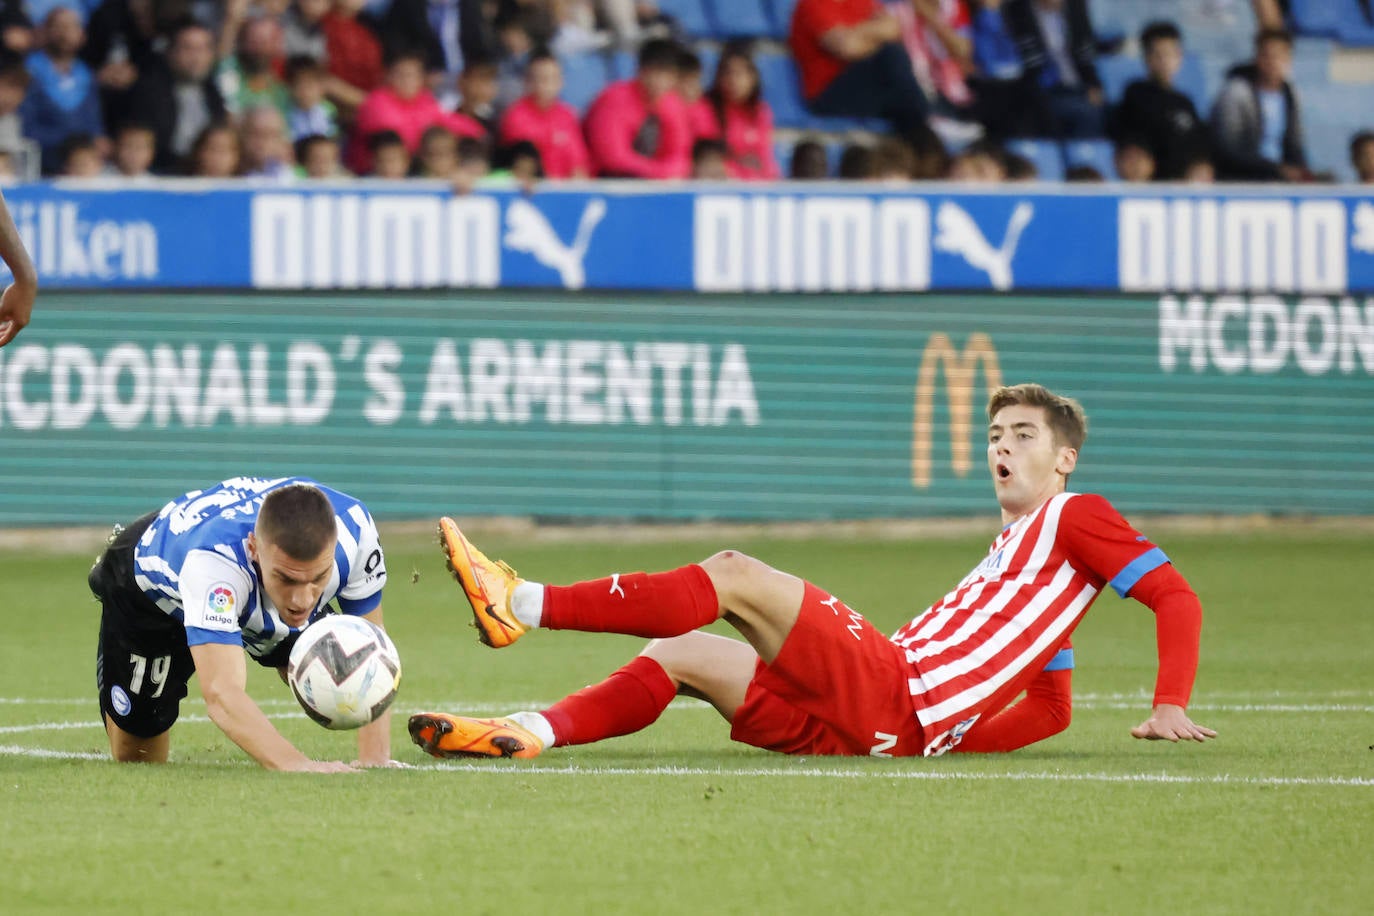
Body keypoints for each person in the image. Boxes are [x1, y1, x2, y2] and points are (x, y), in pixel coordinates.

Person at [410, 383, 1216, 761]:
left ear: (1065, 459)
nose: (1002, 446)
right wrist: (936, 750)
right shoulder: (1027, 566)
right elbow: (1052, 709)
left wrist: (1170, 704)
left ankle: (518, 601)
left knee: (735, 573)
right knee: (680, 653)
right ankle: (530, 730)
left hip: (896, 692)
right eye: (997, 433)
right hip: (875, 731)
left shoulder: (1074, 517)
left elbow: (1174, 595)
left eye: (1025, 436)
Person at [88, 477, 398, 771]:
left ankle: (273, 595)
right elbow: (223, 693)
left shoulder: (356, 529)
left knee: (341, 657)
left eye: (319, 578)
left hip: (249, 590)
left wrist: (375, 758)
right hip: (151, 597)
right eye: (287, 578)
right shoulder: (213, 563)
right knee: (138, 755)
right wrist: (294, 763)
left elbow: (373, 649)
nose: (302, 600)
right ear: (254, 548)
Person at [788, 0, 928, 135]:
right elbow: (846, 48)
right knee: (891, 56)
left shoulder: (862, 1)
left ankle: (923, 128)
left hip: (863, 86)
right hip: (827, 93)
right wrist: (876, 37)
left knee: (901, 93)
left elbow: (894, 28)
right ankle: (925, 126)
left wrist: (856, 34)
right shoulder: (812, 4)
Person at [125, 20, 226, 175]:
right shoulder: (148, 92)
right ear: (170, 52)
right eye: (188, 48)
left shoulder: (214, 93)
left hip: (204, 175)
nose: (196, 57)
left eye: (202, 49)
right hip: (161, 174)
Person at [1111, 21, 1208, 181]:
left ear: (1179, 57)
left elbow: (1200, 141)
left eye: (1170, 54)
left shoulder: (1185, 102)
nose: (1164, 61)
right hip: (1159, 181)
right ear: (1147, 59)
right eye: (1158, 55)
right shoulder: (1137, 94)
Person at [583, 37, 691, 179]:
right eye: (655, 72)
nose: (660, 81)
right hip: (606, 180)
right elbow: (613, 158)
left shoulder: (672, 104)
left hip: (652, 181)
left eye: (668, 75)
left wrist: (666, 172)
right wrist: (659, 172)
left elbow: (680, 155)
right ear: (640, 70)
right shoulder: (614, 99)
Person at [1210, 28, 1308, 182]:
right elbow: (1229, 149)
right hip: (1244, 178)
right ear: (1256, 57)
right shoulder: (1236, 92)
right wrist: (1275, 169)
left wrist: (1301, 171)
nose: (1272, 62)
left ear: (1288, 59)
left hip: (1280, 178)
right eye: (1266, 56)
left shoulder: (1291, 94)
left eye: (1278, 57)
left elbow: (1294, 143)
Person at [1002, 0, 1104, 139]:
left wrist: (1093, 84)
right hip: (1039, 89)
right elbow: (1016, 59)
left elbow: (1085, 52)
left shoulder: (1076, 6)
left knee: (1101, 110)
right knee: (1083, 113)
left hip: (1076, 87)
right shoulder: (1017, 9)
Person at [21, 6, 104, 174]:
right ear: (44, 31)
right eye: (58, 26)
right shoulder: (27, 73)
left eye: (72, 27)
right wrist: (70, 143)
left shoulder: (86, 75)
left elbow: (94, 124)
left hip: (81, 168)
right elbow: (25, 127)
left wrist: (97, 141)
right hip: (40, 168)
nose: (65, 34)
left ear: (82, 35)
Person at [497, 49, 590, 180]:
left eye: (552, 78)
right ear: (527, 81)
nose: (546, 85)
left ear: (561, 81)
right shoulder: (515, 116)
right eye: (540, 78)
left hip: (566, 191)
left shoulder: (568, 115)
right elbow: (524, 165)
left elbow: (579, 164)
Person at [702, 42, 780, 181]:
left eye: (741, 74)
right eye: (728, 73)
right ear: (719, 77)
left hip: (752, 186)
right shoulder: (706, 109)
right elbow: (711, 164)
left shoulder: (760, 112)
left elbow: (765, 163)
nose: (734, 80)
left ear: (753, 77)